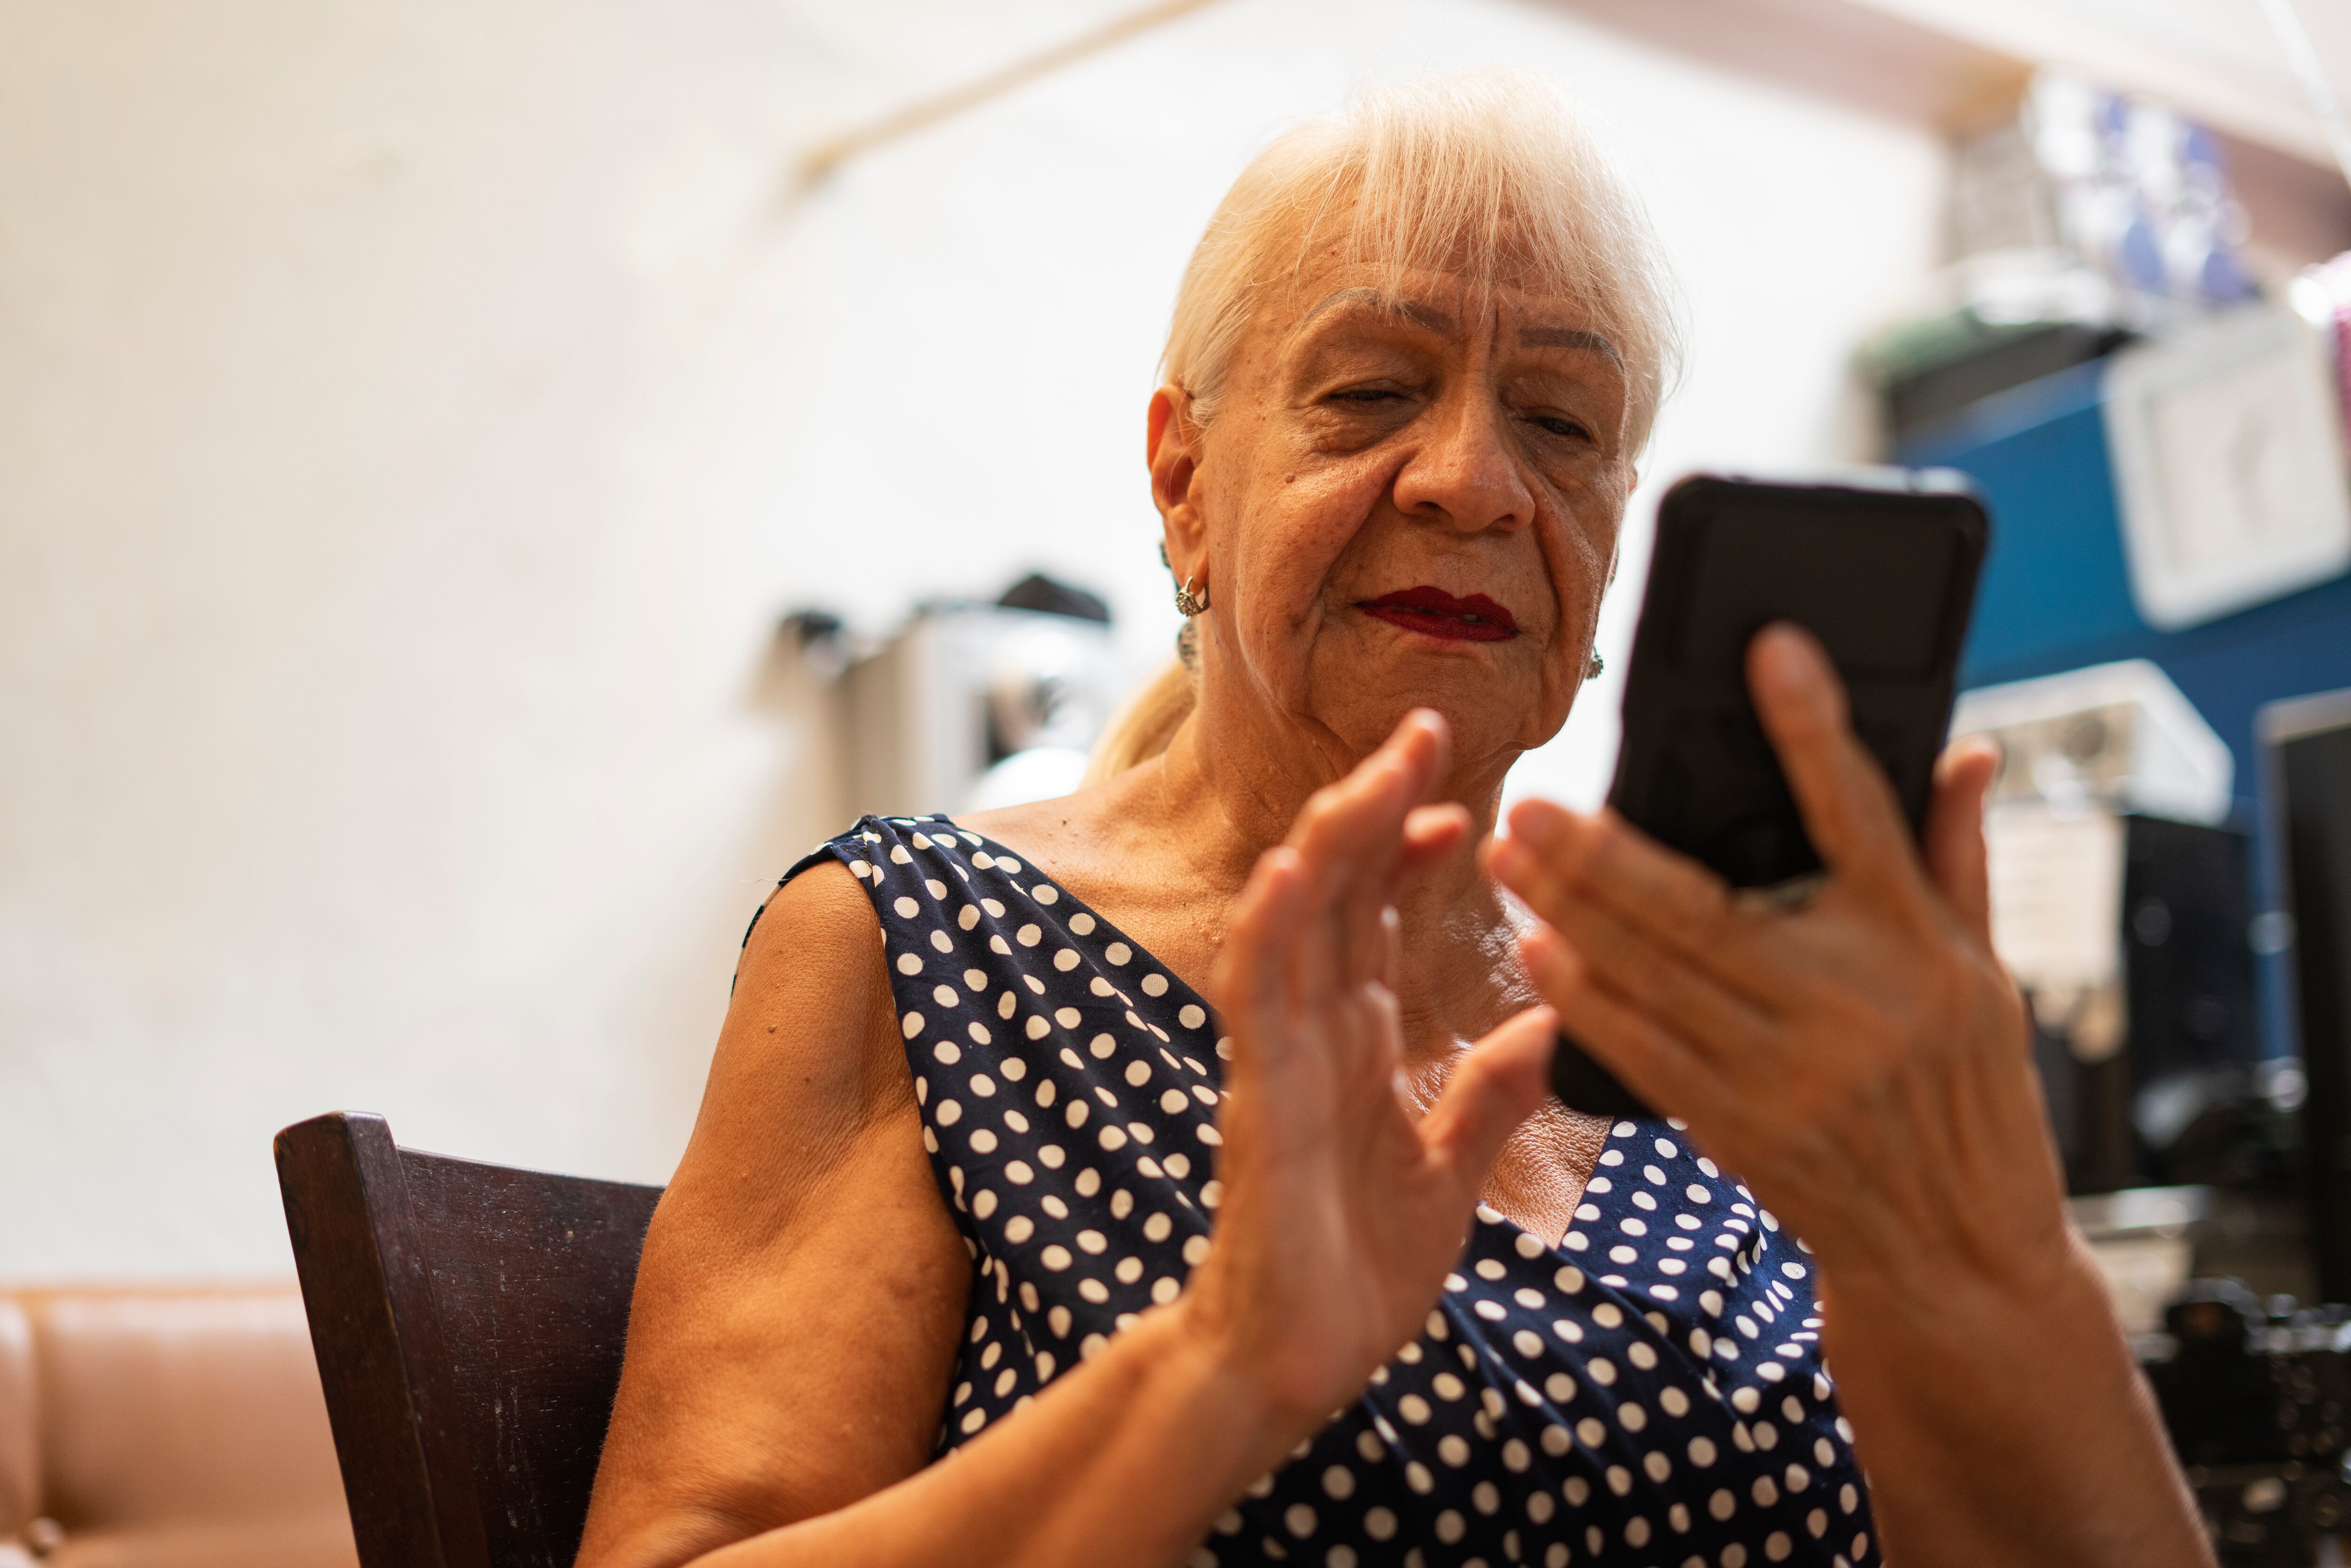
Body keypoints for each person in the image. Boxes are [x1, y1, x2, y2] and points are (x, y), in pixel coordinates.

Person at [574, 71, 2211, 1568]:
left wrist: (1996, 1261)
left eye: (1563, 425)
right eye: (1369, 393)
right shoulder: (921, 947)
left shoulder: (1706, 1026)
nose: (1475, 481)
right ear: (1183, 483)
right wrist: (1217, 1373)